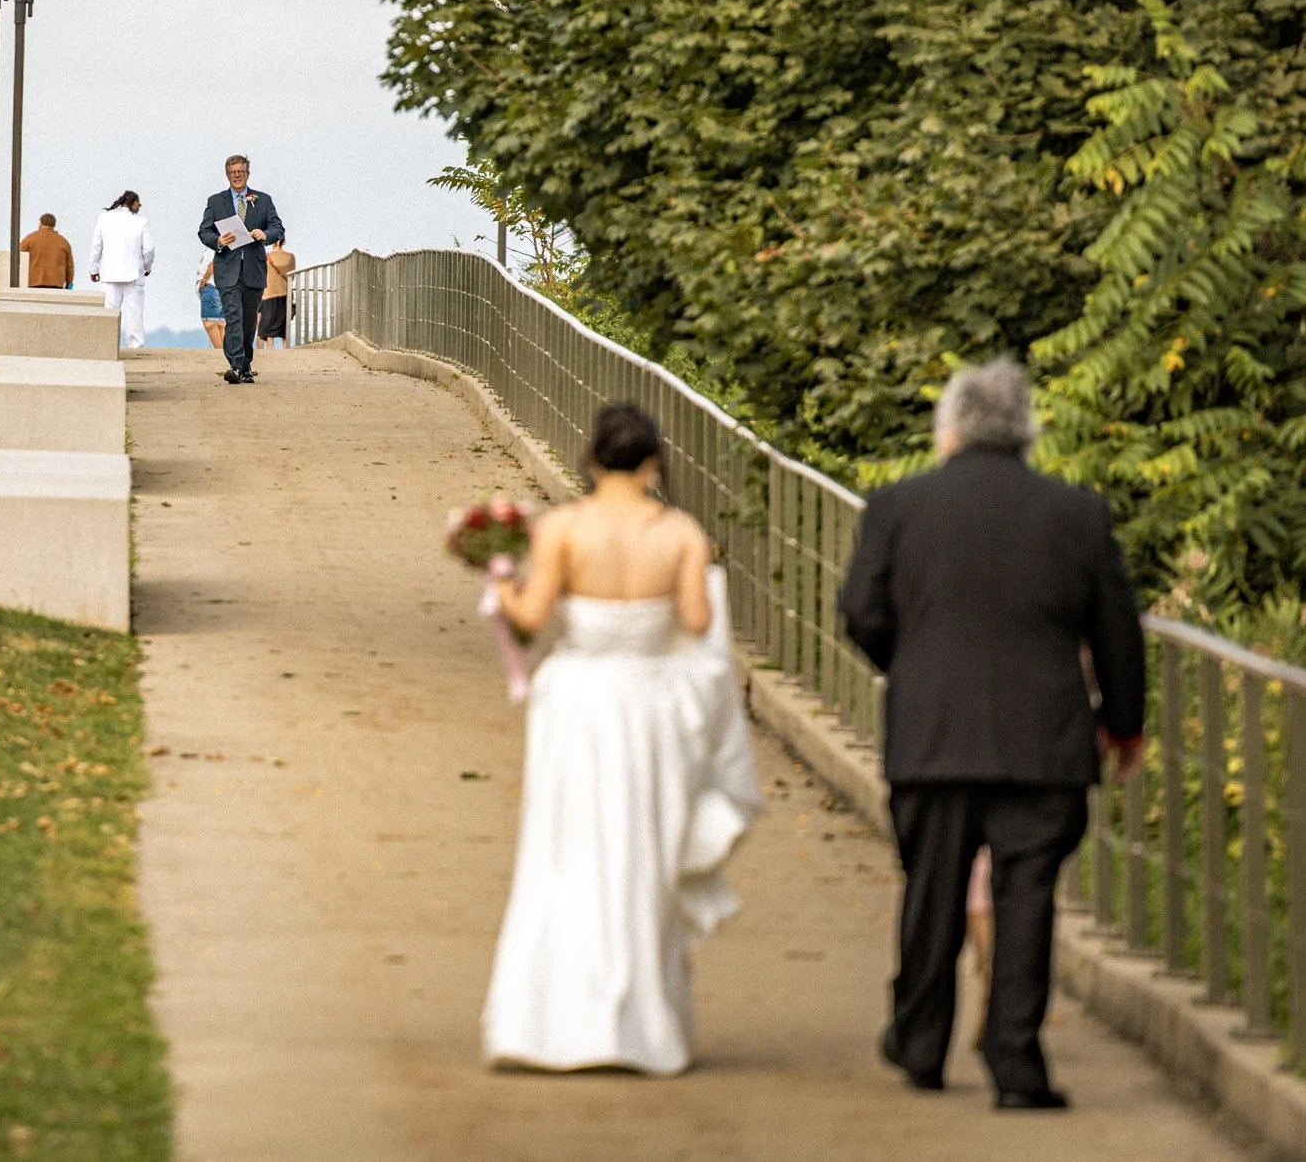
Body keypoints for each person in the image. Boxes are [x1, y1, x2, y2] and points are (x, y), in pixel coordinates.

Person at [838, 358, 1145, 1110]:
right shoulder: (1077, 513)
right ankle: (1016, 1063)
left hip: (933, 731)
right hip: (1044, 739)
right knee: (1027, 896)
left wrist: (910, 666)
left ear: (949, 429)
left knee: (932, 887)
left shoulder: (899, 505)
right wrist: (1123, 723)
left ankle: (920, 1044)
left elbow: (860, 611)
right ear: (1028, 431)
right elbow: (1116, 631)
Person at [480, 402, 762, 1076]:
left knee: (565, 848)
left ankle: (553, 1018)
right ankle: (641, 1020)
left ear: (593, 458)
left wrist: (501, 587)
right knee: (641, 850)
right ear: (653, 462)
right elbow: (697, 620)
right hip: (649, 710)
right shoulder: (681, 533)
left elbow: (534, 616)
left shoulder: (564, 528)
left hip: (578, 704)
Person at [196, 154, 284, 383]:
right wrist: (218, 241)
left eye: (241, 172)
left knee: (248, 323)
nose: (237, 175)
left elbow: (278, 227)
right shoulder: (216, 202)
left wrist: (265, 235)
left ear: (247, 174)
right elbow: (204, 232)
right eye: (233, 172)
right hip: (227, 270)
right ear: (227, 175)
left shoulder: (263, 200)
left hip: (253, 270)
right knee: (232, 318)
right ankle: (236, 366)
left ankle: (244, 365)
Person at [88, 192, 155, 349]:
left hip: (109, 274)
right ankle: (135, 347)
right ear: (132, 203)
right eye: (139, 202)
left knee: (109, 313)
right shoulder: (141, 222)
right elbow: (149, 249)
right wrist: (147, 267)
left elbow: (96, 246)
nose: (140, 206)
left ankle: (107, 346)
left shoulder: (104, 218)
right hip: (133, 275)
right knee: (134, 315)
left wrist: (93, 268)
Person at [255, 237, 298, 351]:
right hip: (285, 293)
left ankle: (269, 348)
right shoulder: (290, 257)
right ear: (284, 241)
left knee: (266, 324)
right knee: (284, 322)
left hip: (267, 294)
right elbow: (291, 276)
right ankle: (285, 347)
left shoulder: (265, 257)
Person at [20, 212, 74, 289]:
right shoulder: (63, 242)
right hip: (56, 284)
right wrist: (69, 285)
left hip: (33, 283)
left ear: (40, 224)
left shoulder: (29, 239)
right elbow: (69, 267)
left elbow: (19, 260)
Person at [195, 253, 225, 351]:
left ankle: (219, 350)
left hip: (211, 285)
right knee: (221, 322)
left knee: (210, 321)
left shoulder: (213, 248)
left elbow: (213, 264)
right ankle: (224, 351)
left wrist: (203, 281)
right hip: (220, 286)